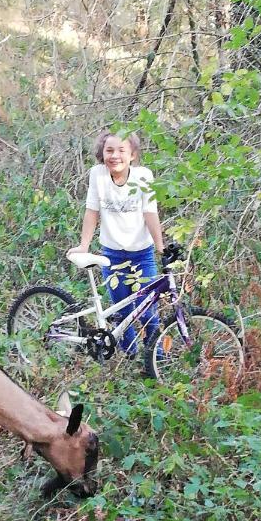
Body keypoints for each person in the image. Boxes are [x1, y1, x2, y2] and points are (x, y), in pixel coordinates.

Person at [67, 129, 165, 356]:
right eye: (109, 150)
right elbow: (92, 211)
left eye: (121, 150)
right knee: (122, 311)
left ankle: (157, 359)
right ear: (102, 153)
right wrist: (84, 245)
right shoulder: (98, 175)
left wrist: (160, 246)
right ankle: (130, 356)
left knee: (148, 310)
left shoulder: (143, 177)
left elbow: (150, 213)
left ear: (132, 155)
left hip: (142, 253)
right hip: (111, 254)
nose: (115, 156)